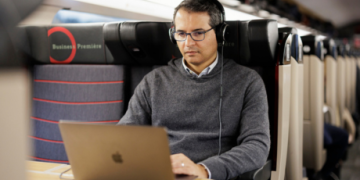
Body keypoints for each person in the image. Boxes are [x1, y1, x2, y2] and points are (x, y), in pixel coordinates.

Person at [118, 0, 270, 179]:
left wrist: (203, 169)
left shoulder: (247, 81)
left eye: (198, 33)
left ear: (220, 34)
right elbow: (125, 136)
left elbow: (257, 146)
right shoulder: (153, 81)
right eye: (181, 33)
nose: (188, 43)